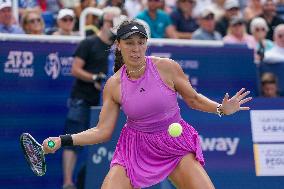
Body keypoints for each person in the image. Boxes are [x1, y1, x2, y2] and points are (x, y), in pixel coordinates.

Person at [43, 19, 252, 189]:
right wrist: (63, 140)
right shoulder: (114, 85)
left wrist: (220, 109)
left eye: (141, 42)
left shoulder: (167, 67)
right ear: (118, 45)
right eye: (129, 43)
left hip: (174, 145)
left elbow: (193, 99)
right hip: (135, 148)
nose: (136, 49)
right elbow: (102, 131)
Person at [59, 7, 121, 189]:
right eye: (111, 22)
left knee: (101, 144)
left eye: (117, 23)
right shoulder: (89, 43)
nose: (114, 27)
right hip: (83, 100)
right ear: (102, 23)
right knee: (72, 140)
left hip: (105, 104)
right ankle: (68, 183)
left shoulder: (118, 48)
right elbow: (75, 69)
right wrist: (94, 78)